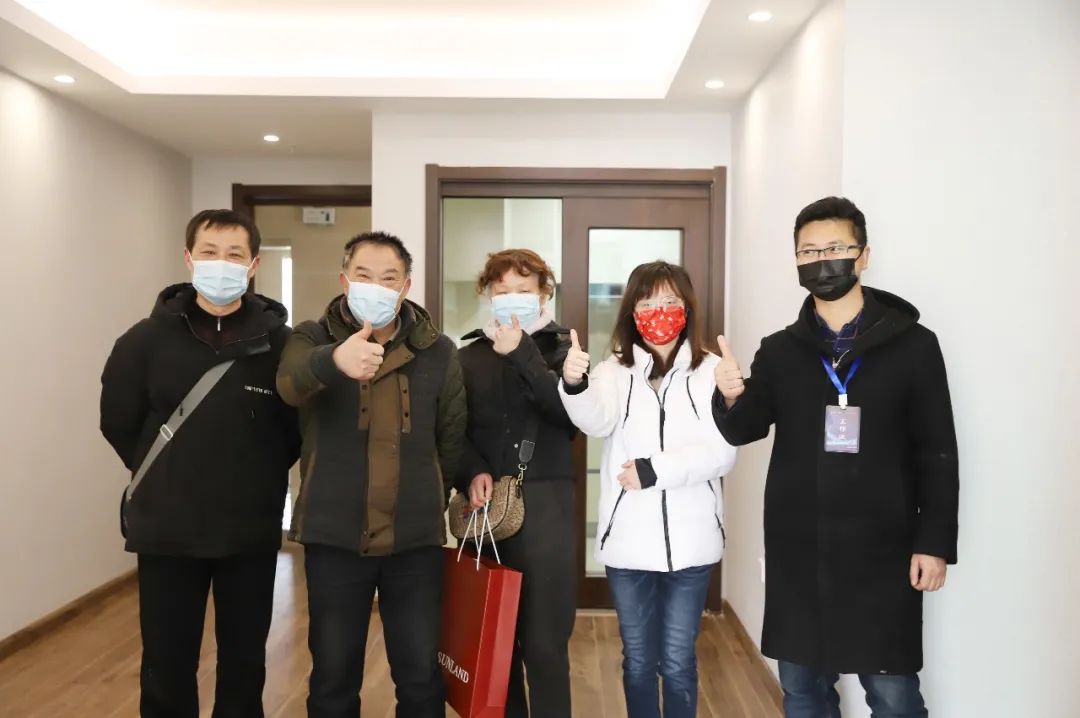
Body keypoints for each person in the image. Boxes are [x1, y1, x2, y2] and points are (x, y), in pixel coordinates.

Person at [712, 197, 958, 718]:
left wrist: (933, 543)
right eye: (809, 251)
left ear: (863, 255)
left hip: (883, 549)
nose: (822, 261)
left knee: (893, 697)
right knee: (803, 691)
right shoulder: (780, 350)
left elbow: (938, 451)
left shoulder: (914, 346)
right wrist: (732, 394)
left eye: (835, 248)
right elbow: (745, 428)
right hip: (800, 550)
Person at [100, 209, 300, 718]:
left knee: (244, 666)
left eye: (234, 254)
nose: (221, 263)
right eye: (210, 252)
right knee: (166, 666)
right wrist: (172, 474)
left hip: (249, 531)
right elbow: (119, 423)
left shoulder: (281, 345)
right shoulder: (143, 341)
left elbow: (294, 432)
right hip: (167, 531)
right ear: (189, 258)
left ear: (253, 265)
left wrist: (252, 473)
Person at [275, 231, 467, 718]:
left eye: (388, 278)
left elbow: (450, 439)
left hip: (414, 542)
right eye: (364, 276)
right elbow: (289, 385)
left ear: (405, 287)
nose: (375, 287)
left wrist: (427, 495)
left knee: (420, 676)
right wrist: (333, 361)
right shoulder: (311, 337)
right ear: (344, 281)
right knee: (333, 676)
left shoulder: (439, 351)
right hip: (334, 538)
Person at [558, 261, 737, 718]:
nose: (660, 311)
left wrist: (654, 470)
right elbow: (596, 420)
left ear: (687, 308)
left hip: (692, 543)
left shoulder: (711, 370)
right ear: (632, 312)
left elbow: (722, 453)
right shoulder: (613, 371)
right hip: (628, 543)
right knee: (638, 661)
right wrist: (573, 383)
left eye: (670, 301)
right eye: (648, 302)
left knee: (677, 663)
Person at [454, 249, 577, 718]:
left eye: (523, 290)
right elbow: (452, 431)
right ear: (488, 295)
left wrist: (523, 352)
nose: (511, 298)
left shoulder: (564, 350)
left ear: (544, 294)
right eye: (502, 290)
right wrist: (471, 471)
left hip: (547, 505)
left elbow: (567, 417)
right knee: (495, 642)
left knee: (545, 644)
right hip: (486, 509)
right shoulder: (467, 356)